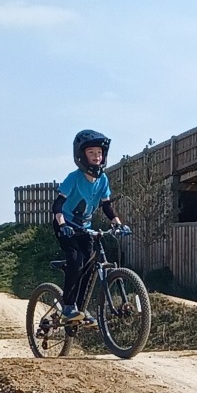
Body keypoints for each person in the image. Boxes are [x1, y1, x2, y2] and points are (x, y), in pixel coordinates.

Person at [52, 129, 124, 324]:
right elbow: (57, 204)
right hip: (65, 224)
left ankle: (80, 310)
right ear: (82, 155)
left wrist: (117, 223)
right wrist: (63, 225)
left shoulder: (103, 180)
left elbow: (106, 205)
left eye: (99, 153)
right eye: (91, 153)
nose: (96, 157)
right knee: (76, 260)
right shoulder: (73, 178)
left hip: (85, 228)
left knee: (90, 266)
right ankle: (68, 307)